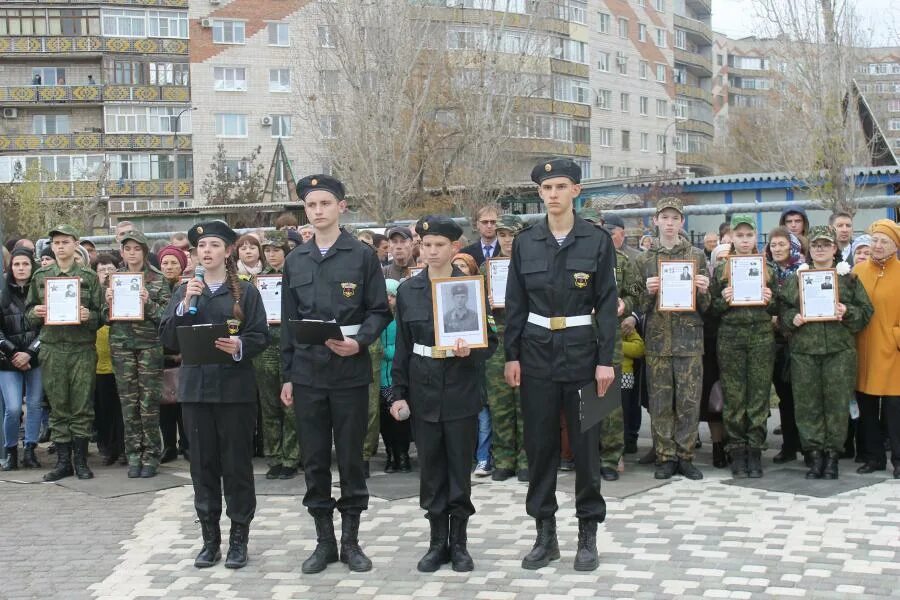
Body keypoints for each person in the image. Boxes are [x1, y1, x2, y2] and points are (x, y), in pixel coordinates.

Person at [504, 158, 617, 572]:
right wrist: (511, 355)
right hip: (536, 356)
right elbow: (515, 303)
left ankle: (588, 534)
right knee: (540, 447)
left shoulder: (597, 240)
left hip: (586, 356)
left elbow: (606, 304)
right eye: (546, 187)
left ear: (576, 191)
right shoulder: (526, 241)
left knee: (588, 447)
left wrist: (607, 361)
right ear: (539, 193)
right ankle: (545, 535)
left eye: (560, 186)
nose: (553, 194)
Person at [280, 174, 390, 574]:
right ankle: (324, 541)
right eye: (312, 205)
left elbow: (379, 310)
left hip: (349, 370)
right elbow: (289, 323)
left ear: (341, 207)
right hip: (308, 372)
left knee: (351, 458)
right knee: (313, 460)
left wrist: (360, 341)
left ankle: (351, 542)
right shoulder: (296, 260)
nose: (318, 211)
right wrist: (288, 376)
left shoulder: (360, 256)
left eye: (325, 203)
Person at [391, 215, 498, 573]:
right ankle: (437, 543)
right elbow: (404, 346)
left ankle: (460, 543)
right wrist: (398, 393)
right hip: (422, 389)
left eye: (440, 245)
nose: (432, 251)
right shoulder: (408, 290)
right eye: (427, 244)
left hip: (460, 387)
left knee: (459, 468)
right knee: (431, 469)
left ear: (454, 247)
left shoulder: (471, 286)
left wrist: (474, 349)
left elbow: (492, 340)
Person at [160, 220, 269, 569]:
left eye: (214, 245)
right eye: (201, 246)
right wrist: (184, 303)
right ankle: (210, 540)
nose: (206, 251)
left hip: (234, 392)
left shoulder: (247, 292)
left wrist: (239, 344)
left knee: (237, 467)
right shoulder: (184, 291)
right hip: (196, 392)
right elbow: (167, 339)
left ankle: (239, 539)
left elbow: (260, 336)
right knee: (202, 468)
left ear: (228, 251)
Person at [779, 225, 873, 480]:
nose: (821, 249)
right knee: (808, 404)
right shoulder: (796, 279)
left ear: (834, 248)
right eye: (816, 245)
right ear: (810, 249)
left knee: (836, 404)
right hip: (805, 351)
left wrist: (847, 312)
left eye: (826, 245)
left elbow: (865, 312)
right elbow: (780, 309)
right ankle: (814, 454)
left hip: (839, 352)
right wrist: (792, 318)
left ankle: (832, 455)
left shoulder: (849, 279)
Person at [634, 198, 710, 481]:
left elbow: (708, 306)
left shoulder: (697, 256)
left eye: (674, 218)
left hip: (689, 341)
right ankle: (665, 456)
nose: (669, 222)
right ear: (655, 221)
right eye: (664, 217)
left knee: (689, 401)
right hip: (657, 342)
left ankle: (686, 456)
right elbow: (636, 305)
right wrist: (648, 292)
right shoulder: (643, 260)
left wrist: (703, 290)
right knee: (660, 402)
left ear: (682, 222)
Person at [26, 225, 102, 481]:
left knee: (81, 406)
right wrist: (35, 313)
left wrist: (89, 315)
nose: (60, 246)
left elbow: (102, 315)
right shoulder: (41, 276)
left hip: (81, 349)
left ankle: (80, 461)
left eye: (65, 242)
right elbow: (28, 314)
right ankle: (62, 462)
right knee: (58, 407)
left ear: (75, 244)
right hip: (52, 349)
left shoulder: (89, 277)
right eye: (56, 243)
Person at [709, 215, 776, 478]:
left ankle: (755, 450)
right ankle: (737, 449)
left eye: (749, 235)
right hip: (731, 339)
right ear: (732, 238)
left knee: (758, 397)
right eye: (740, 235)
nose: (745, 240)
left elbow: (781, 305)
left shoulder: (767, 267)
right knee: (735, 397)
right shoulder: (722, 270)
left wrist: (770, 300)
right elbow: (709, 309)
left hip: (760, 337)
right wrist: (723, 300)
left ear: (755, 238)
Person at [105, 231, 170, 478]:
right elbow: (104, 317)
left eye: (136, 248)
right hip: (121, 347)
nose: (132, 253)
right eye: (127, 249)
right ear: (122, 252)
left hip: (148, 347)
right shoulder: (114, 279)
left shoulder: (157, 279)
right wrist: (107, 301)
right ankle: (134, 455)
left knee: (149, 404)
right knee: (128, 403)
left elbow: (166, 317)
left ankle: (152, 455)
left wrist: (148, 302)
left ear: (144, 251)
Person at [853, 219, 900, 478]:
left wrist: (895, 337)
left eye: (884, 241)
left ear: (895, 246)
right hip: (864, 351)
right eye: (874, 240)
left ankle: (899, 460)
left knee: (895, 411)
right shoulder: (858, 271)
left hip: (894, 354)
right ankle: (873, 458)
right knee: (867, 409)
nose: (877, 245)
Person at [483, 214, 528, 482]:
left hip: (526, 341)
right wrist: (486, 300)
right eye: (502, 235)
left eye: (511, 234)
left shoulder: (531, 264)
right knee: (500, 405)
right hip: (497, 342)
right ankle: (504, 459)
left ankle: (526, 459)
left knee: (525, 404)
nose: (507, 240)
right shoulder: (485, 267)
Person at [255, 231, 300, 480]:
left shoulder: (295, 276)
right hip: (265, 347)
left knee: (290, 405)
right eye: (268, 250)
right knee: (270, 405)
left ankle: (292, 457)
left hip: (291, 344)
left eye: (276, 250)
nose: (272, 255)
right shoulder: (259, 279)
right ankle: (274, 456)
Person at [0, 248, 42, 470]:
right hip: (8, 361)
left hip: (35, 359)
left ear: (32, 266)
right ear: (10, 267)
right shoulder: (1, 295)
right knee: (14, 408)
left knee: (35, 405)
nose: (21, 268)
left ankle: (30, 450)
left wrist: (31, 352)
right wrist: (14, 352)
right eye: (17, 264)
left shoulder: (40, 294)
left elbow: (47, 329)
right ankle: (10, 452)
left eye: (25, 264)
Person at [450, 252, 491, 476]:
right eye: (455, 266)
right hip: (452, 372)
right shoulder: (446, 314)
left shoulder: (478, 306)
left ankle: (484, 457)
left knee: (483, 413)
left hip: (476, 365)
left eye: (464, 267)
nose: (459, 271)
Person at [765, 227, 803, 465]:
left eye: (782, 244)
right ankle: (789, 445)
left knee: (802, 397)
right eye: (773, 245)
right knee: (784, 398)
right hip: (774, 343)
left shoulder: (803, 271)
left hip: (798, 340)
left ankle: (808, 446)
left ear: (792, 246)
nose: (777, 249)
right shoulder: (765, 271)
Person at [156, 245, 189, 463]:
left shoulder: (187, 288)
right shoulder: (153, 286)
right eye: (165, 263)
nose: (169, 267)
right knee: (164, 403)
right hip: (159, 353)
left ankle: (185, 444)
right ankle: (168, 445)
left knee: (183, 403)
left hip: (184, 351)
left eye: (174, 263)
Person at [93, 255, 125, 466]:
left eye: (110, 268)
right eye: (102, 268)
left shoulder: (123, 288)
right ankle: (106, 447)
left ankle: (121, 447)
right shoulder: (93, 293)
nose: (106, 272)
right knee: (102, 407)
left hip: (121, 356)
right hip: (98, 360)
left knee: (120, 407)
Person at [377, 279, 410, 473]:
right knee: (384, 420)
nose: (389, 300)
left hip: (397, 377)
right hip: (380, 376)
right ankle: (390, 454)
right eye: (385, 296)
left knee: (401, 419)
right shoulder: (376, 317)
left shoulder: (403, 317)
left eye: (392, 296)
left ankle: (403, 455)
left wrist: (390, 352)